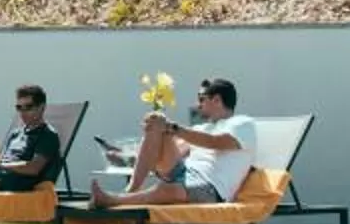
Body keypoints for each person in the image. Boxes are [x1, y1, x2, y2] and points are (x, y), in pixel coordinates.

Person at [87, 78, 255, 209]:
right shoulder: (202, 127)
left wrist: (174, 128)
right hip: (185, 172)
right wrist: (125, 156)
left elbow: (216, 142)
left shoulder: (242, 123)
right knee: (157, 122)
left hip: (211, 188)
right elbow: (170, 149)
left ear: (217, 100)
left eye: (202, 99)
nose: (198, 105)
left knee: (169, 189)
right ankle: (131, 189)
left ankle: (113, 201)